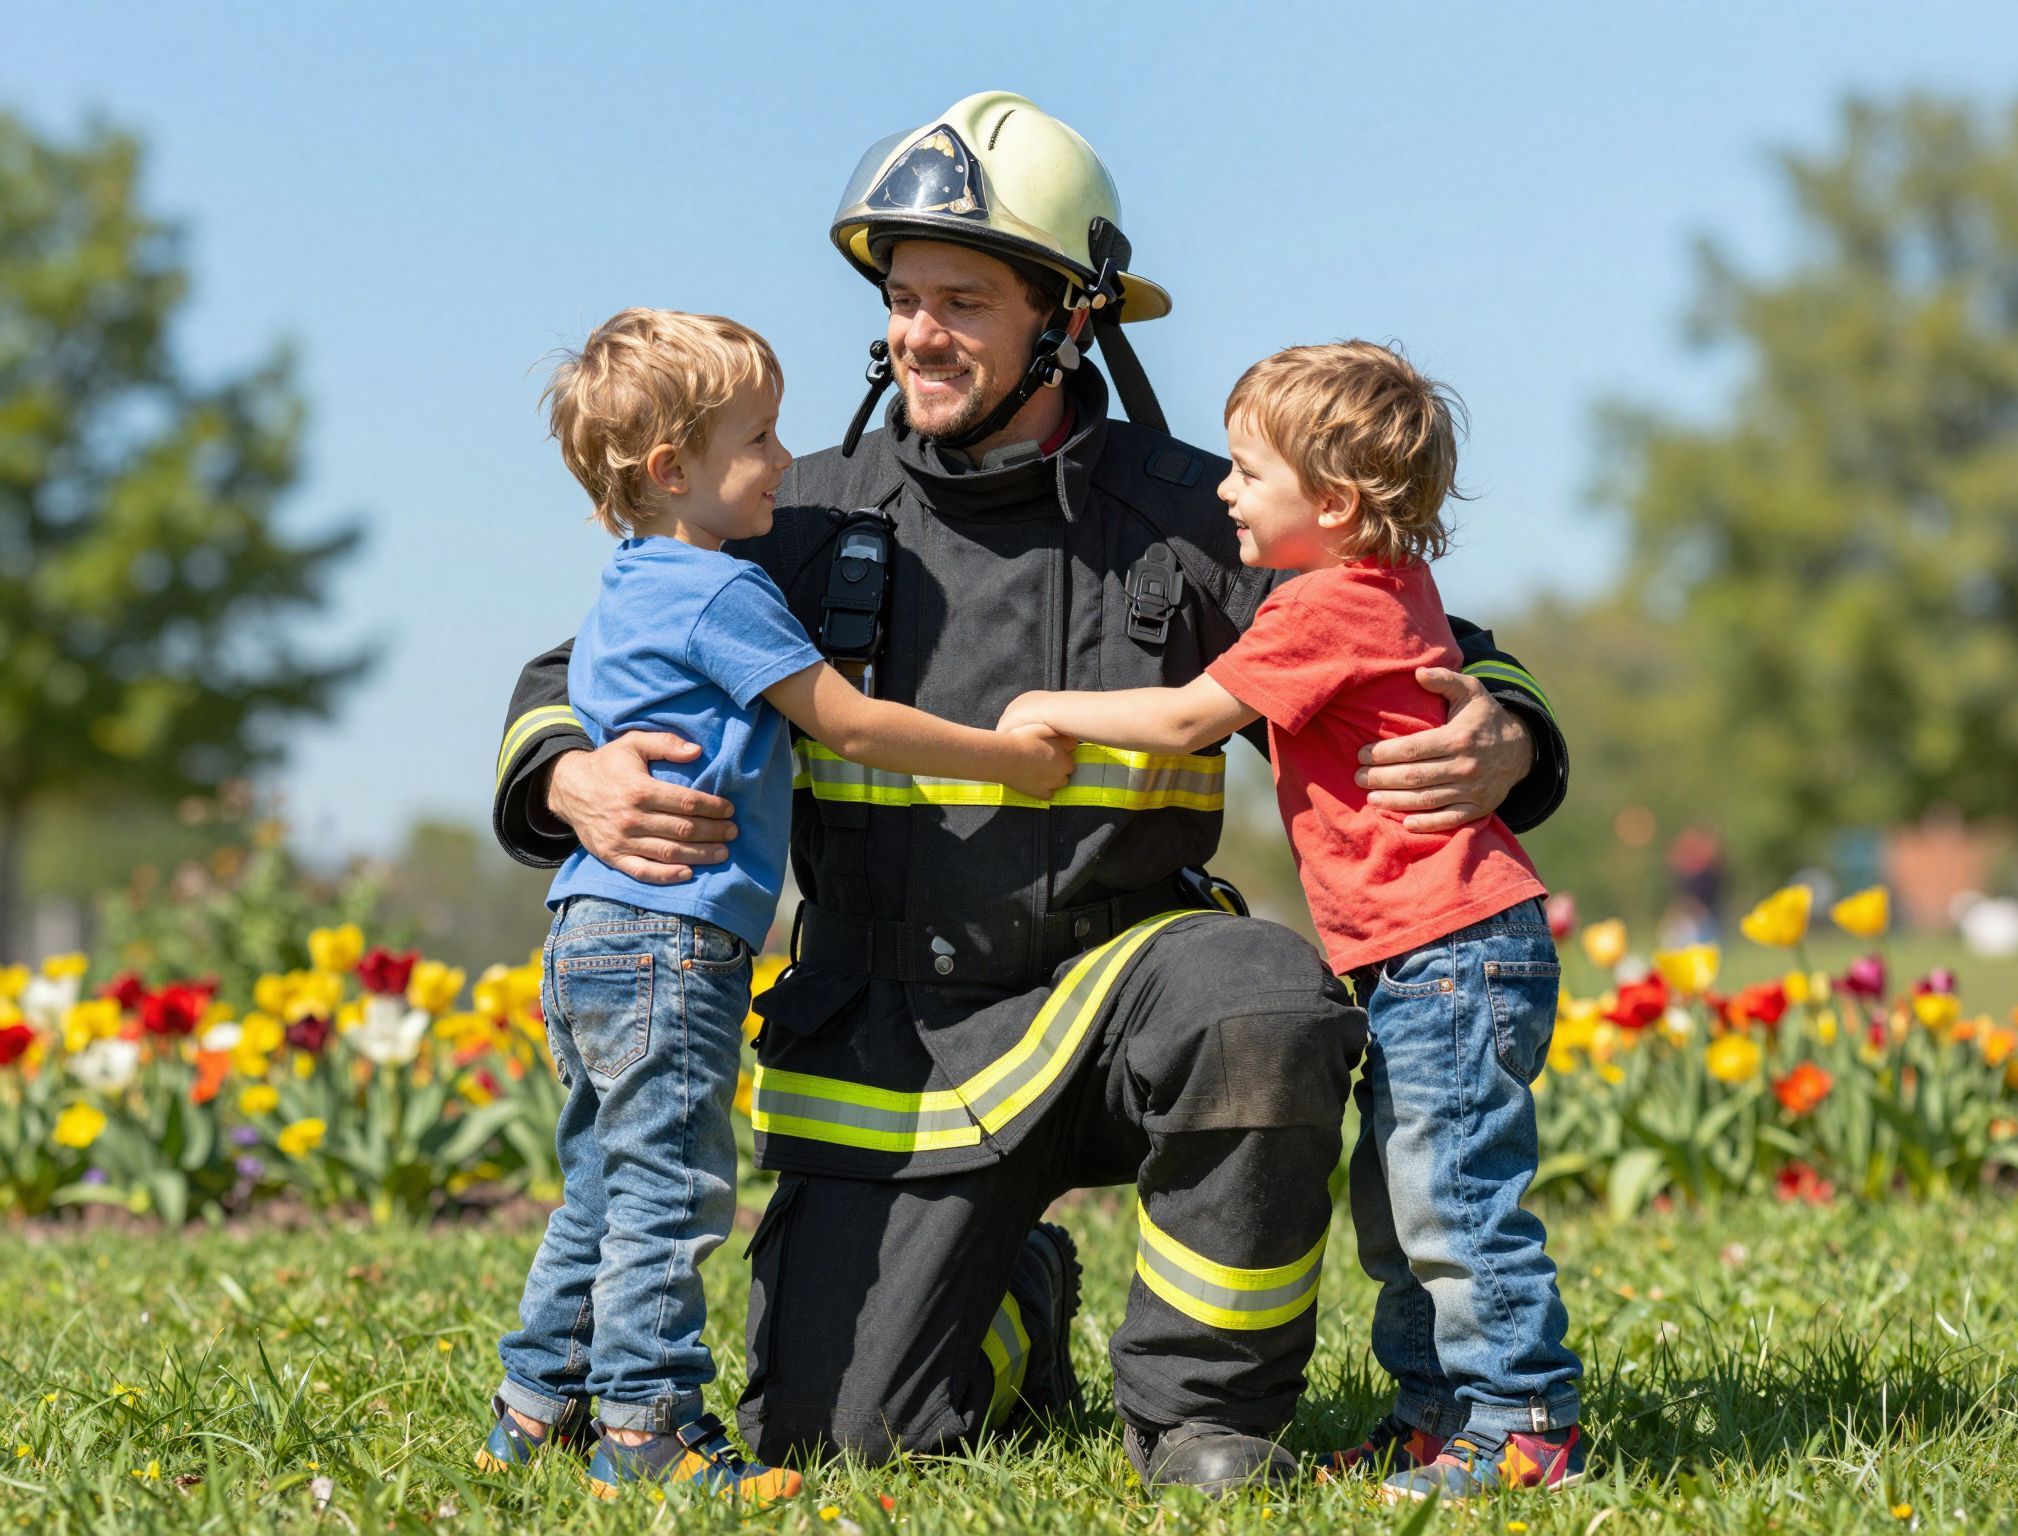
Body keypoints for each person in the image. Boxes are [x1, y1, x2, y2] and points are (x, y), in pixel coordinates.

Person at [491, 91, 1571, 1496]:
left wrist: (1506, 733)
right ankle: (1022, 1301)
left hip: (1137, 990)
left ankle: (1201, 1417)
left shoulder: (1205, 513)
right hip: (894, 1036)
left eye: (963, 299)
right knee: (844, 1436)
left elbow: (1427, 645)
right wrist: (570, 776)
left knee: (1263, 1004)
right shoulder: (793, 515)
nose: (916, 332)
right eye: (900, 298)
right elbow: (572, 669)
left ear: (1066, 317)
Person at [478, 308, 1074, 1501]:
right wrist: (1006, 757)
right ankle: (648, 1430)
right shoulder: (720, 592)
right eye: (757, 439)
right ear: (671, 472)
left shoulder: (626, 590)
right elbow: (844, 720)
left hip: (587, 928)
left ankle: (536, 1404)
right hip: (671, 938)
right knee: (671, 1192)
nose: (784, 462)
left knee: (600, 1177)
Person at [999, 340, 1584, 1501]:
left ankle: (1523, 1423)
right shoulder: (1391, 586)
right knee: (1402, 1203)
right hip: (1440, 953)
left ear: (1331, 503)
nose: (1224, 491)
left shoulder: (1322, 608)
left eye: (1245, 473)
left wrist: (1044, 705)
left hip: (1449, 953)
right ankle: (1435, 1418)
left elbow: (1181, 720)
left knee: (1453, 1205)